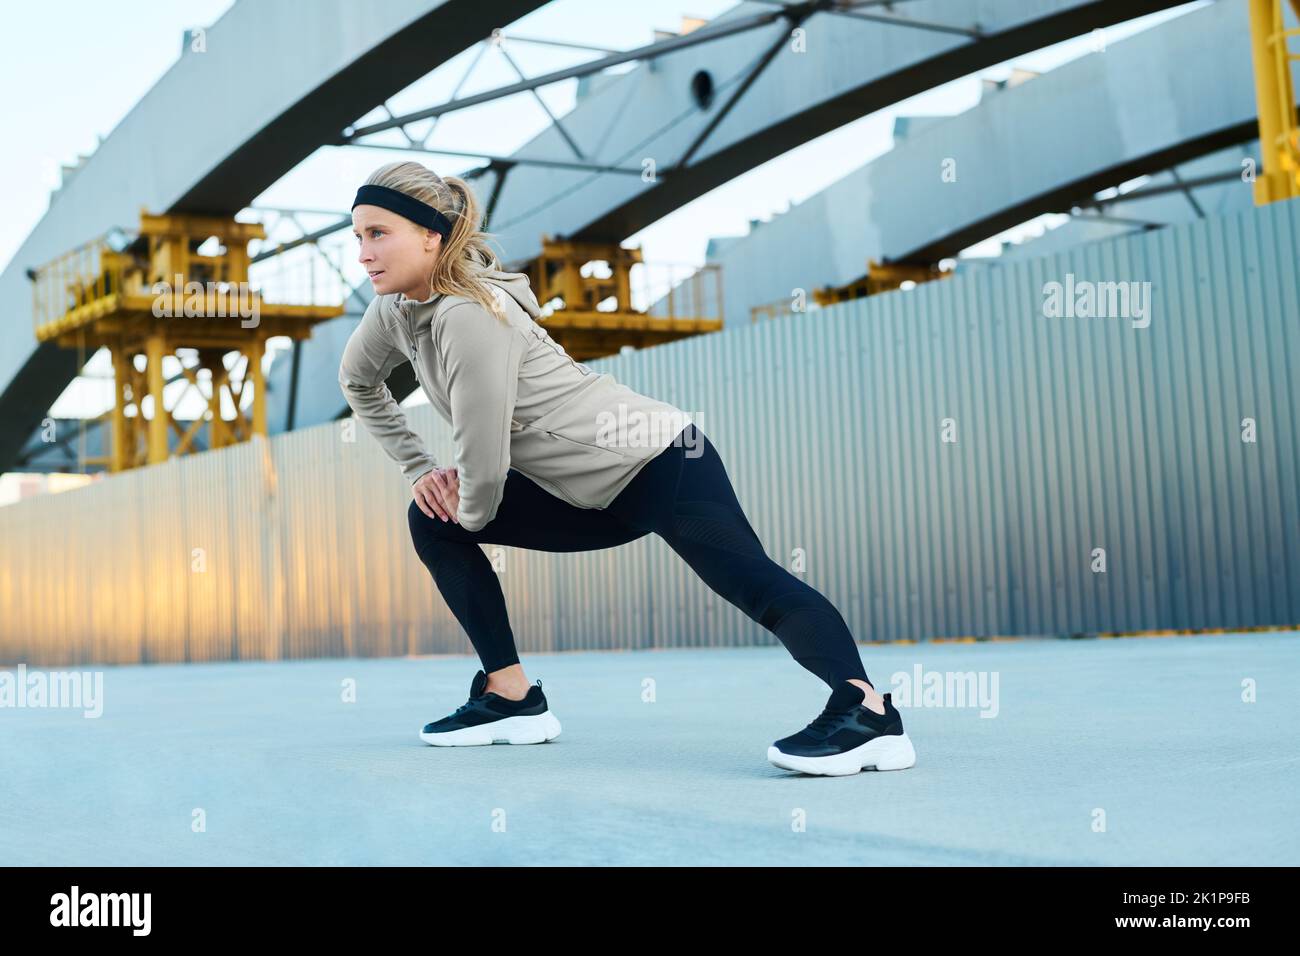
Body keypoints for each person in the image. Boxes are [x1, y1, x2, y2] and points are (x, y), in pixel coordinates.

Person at [337, 161, 916, 776]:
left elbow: (482, 453)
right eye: (358, 237)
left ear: (431, 235)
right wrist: (419, 470)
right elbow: (358, 381)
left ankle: (869, 715)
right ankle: (511, 699)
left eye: (379, 233)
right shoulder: (397, 309)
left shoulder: (470, 316)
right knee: (431, 517)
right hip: (581, 489)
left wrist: (467, 511)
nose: (365, 253)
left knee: (753, 583)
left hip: (661, 460)